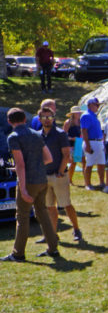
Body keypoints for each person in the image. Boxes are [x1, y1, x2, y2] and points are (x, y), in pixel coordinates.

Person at [2, 108, 59, 262]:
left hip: (29, 181)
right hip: (42, 179)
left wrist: (23, 188)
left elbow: (20, 164)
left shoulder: (13, 137)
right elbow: (48, 158)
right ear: (24, 120)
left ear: (9, 121)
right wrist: (34, 165)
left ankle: (18, 253)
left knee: (22, 217)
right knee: (42, 213)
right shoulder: (36, 134)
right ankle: (53, 248)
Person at [38, 106, 82, 242]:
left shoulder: (60, 134)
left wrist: (60, 172)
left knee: (66, 204)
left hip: (59, 176)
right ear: (39, 119)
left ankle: (76, 229)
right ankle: (51, 234)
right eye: (44, 117)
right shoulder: (38, 135)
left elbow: (66, 154)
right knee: (50, 207)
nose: (47, 120)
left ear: (53, 118)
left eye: (49, 117)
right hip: (45, 176)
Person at [80, 97, 105, 190]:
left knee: (101, 163)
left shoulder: (94, 116)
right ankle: (87, 184)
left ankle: (102, 182)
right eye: (96, 105)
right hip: (91, 141)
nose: (97, 107)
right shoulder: (86, 115)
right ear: (90, 105)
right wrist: (87, 144)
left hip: (98, 141)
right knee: (89, 163)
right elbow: (84, 130)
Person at [64, 108, 83, 185]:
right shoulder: (68, 122)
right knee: (70, 161)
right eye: (76, 112)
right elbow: (64, 135)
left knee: (75, 162)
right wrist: (72, 138)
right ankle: (67, 179)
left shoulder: (80, 122)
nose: (78, 114)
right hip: (70, 144)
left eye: (79, 112)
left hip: (78, 143)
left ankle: (70, 179)